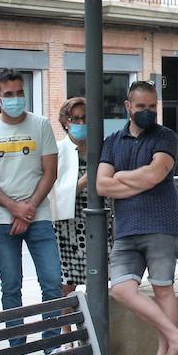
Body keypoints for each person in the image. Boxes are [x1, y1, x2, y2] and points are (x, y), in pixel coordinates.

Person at [98, 81, 178, 355]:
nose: (148, 112)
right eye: (141, 107)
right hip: (126, 229)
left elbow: (155, 175)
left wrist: (122, 178)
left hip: (161, 225)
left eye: (152, 107)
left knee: (163, 288)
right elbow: (102, 185)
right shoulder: (113, 140)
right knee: (121, 289)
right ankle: (176, 337)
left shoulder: (166, 136)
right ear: (128, 107)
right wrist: (136, 182)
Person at [0, 70, 61, 346]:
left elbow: (50, 172)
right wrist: (14, 208)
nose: (15, 99)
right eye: (8, 94)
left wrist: (29, 208)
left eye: (19, 93)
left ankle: (52, 346)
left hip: (40, 217)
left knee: (52, 283)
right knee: (11, 286)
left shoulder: (41, 125)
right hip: (2, 220)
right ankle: (17, 347)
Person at [54, 97, 112, 295]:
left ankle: (93, 321)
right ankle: (66, 325)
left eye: (84, 118)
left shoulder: (101, 148)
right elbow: (54, 193)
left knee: (98, 275)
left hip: (99, 221)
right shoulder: (58, 151)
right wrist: (86, 179)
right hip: (68, 224)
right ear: (65, 122)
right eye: (74, 119)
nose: (80, 123)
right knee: (68, 279)